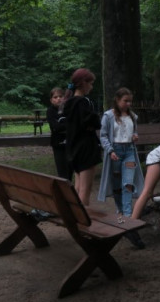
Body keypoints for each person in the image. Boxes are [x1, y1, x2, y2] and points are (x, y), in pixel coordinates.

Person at [97, 88, 146, 248]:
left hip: (129, 152)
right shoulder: (108, 116)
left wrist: (135, 136)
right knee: (117, 186)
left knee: (128, 184)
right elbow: (103, 135)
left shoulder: (133, 116)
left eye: (130, 101)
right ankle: (121, 212)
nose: (128, 104)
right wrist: (110, 150)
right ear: (117, 100)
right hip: (115, 152)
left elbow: (134, 132)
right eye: (125, 101)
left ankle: (128, 218)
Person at [61, 68, 101, 206]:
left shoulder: (68, 103)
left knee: (78, 187)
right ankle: (83, 217)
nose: (92, 87)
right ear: (83, 83)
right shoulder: (82, 103)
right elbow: (94, 122)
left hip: (73, 149)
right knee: (85, 190)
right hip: (86, 149)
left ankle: (76, 215)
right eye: (91, 83)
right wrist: (94, 121)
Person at [46, 87, 71, 180]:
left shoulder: (68, 110)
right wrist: (67, 125)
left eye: (60, 96)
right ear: (51, 100)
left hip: (70, 144)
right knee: (62, 172)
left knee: (70, 170)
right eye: (55, 97)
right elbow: (56, 127)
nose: (58, 99)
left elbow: (74, 124)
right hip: (58, 145)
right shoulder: (50, 111)